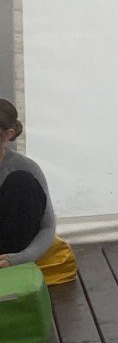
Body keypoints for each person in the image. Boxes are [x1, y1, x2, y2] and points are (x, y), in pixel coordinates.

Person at [0, 101, 55, 269]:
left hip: (8, 253)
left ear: (8, 135)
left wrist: (22, 258)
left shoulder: (25, 167)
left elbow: (47, 227)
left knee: (21, 181)